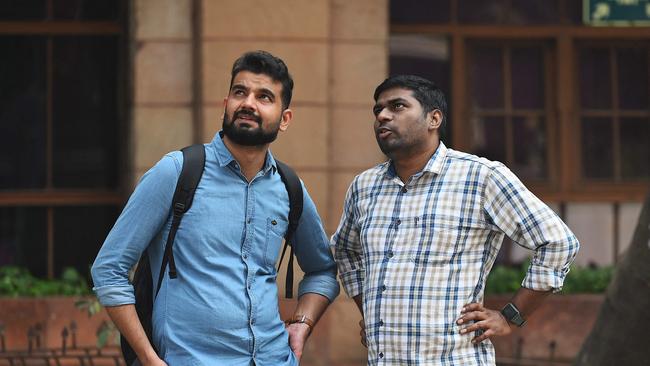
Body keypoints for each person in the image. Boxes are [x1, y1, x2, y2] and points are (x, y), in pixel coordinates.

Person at [91, 50, 339, 366]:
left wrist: (302, 325)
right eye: (240, 92)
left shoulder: (288, 187)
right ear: (226, 105)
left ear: (284, 118)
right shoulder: (178, 172)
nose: (248, 103)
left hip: (274, 359)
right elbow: (109, 268)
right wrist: (149, 358)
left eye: (264, 97)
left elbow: (322, 271)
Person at [331, 75, 579, 365]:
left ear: (433, 118)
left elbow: (558, 242)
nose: (383, 116)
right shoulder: (365, 186)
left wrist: (511, 316)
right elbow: (345, 251)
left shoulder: (481, 177)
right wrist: (373, 313)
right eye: (378, 110)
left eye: (397, 106)